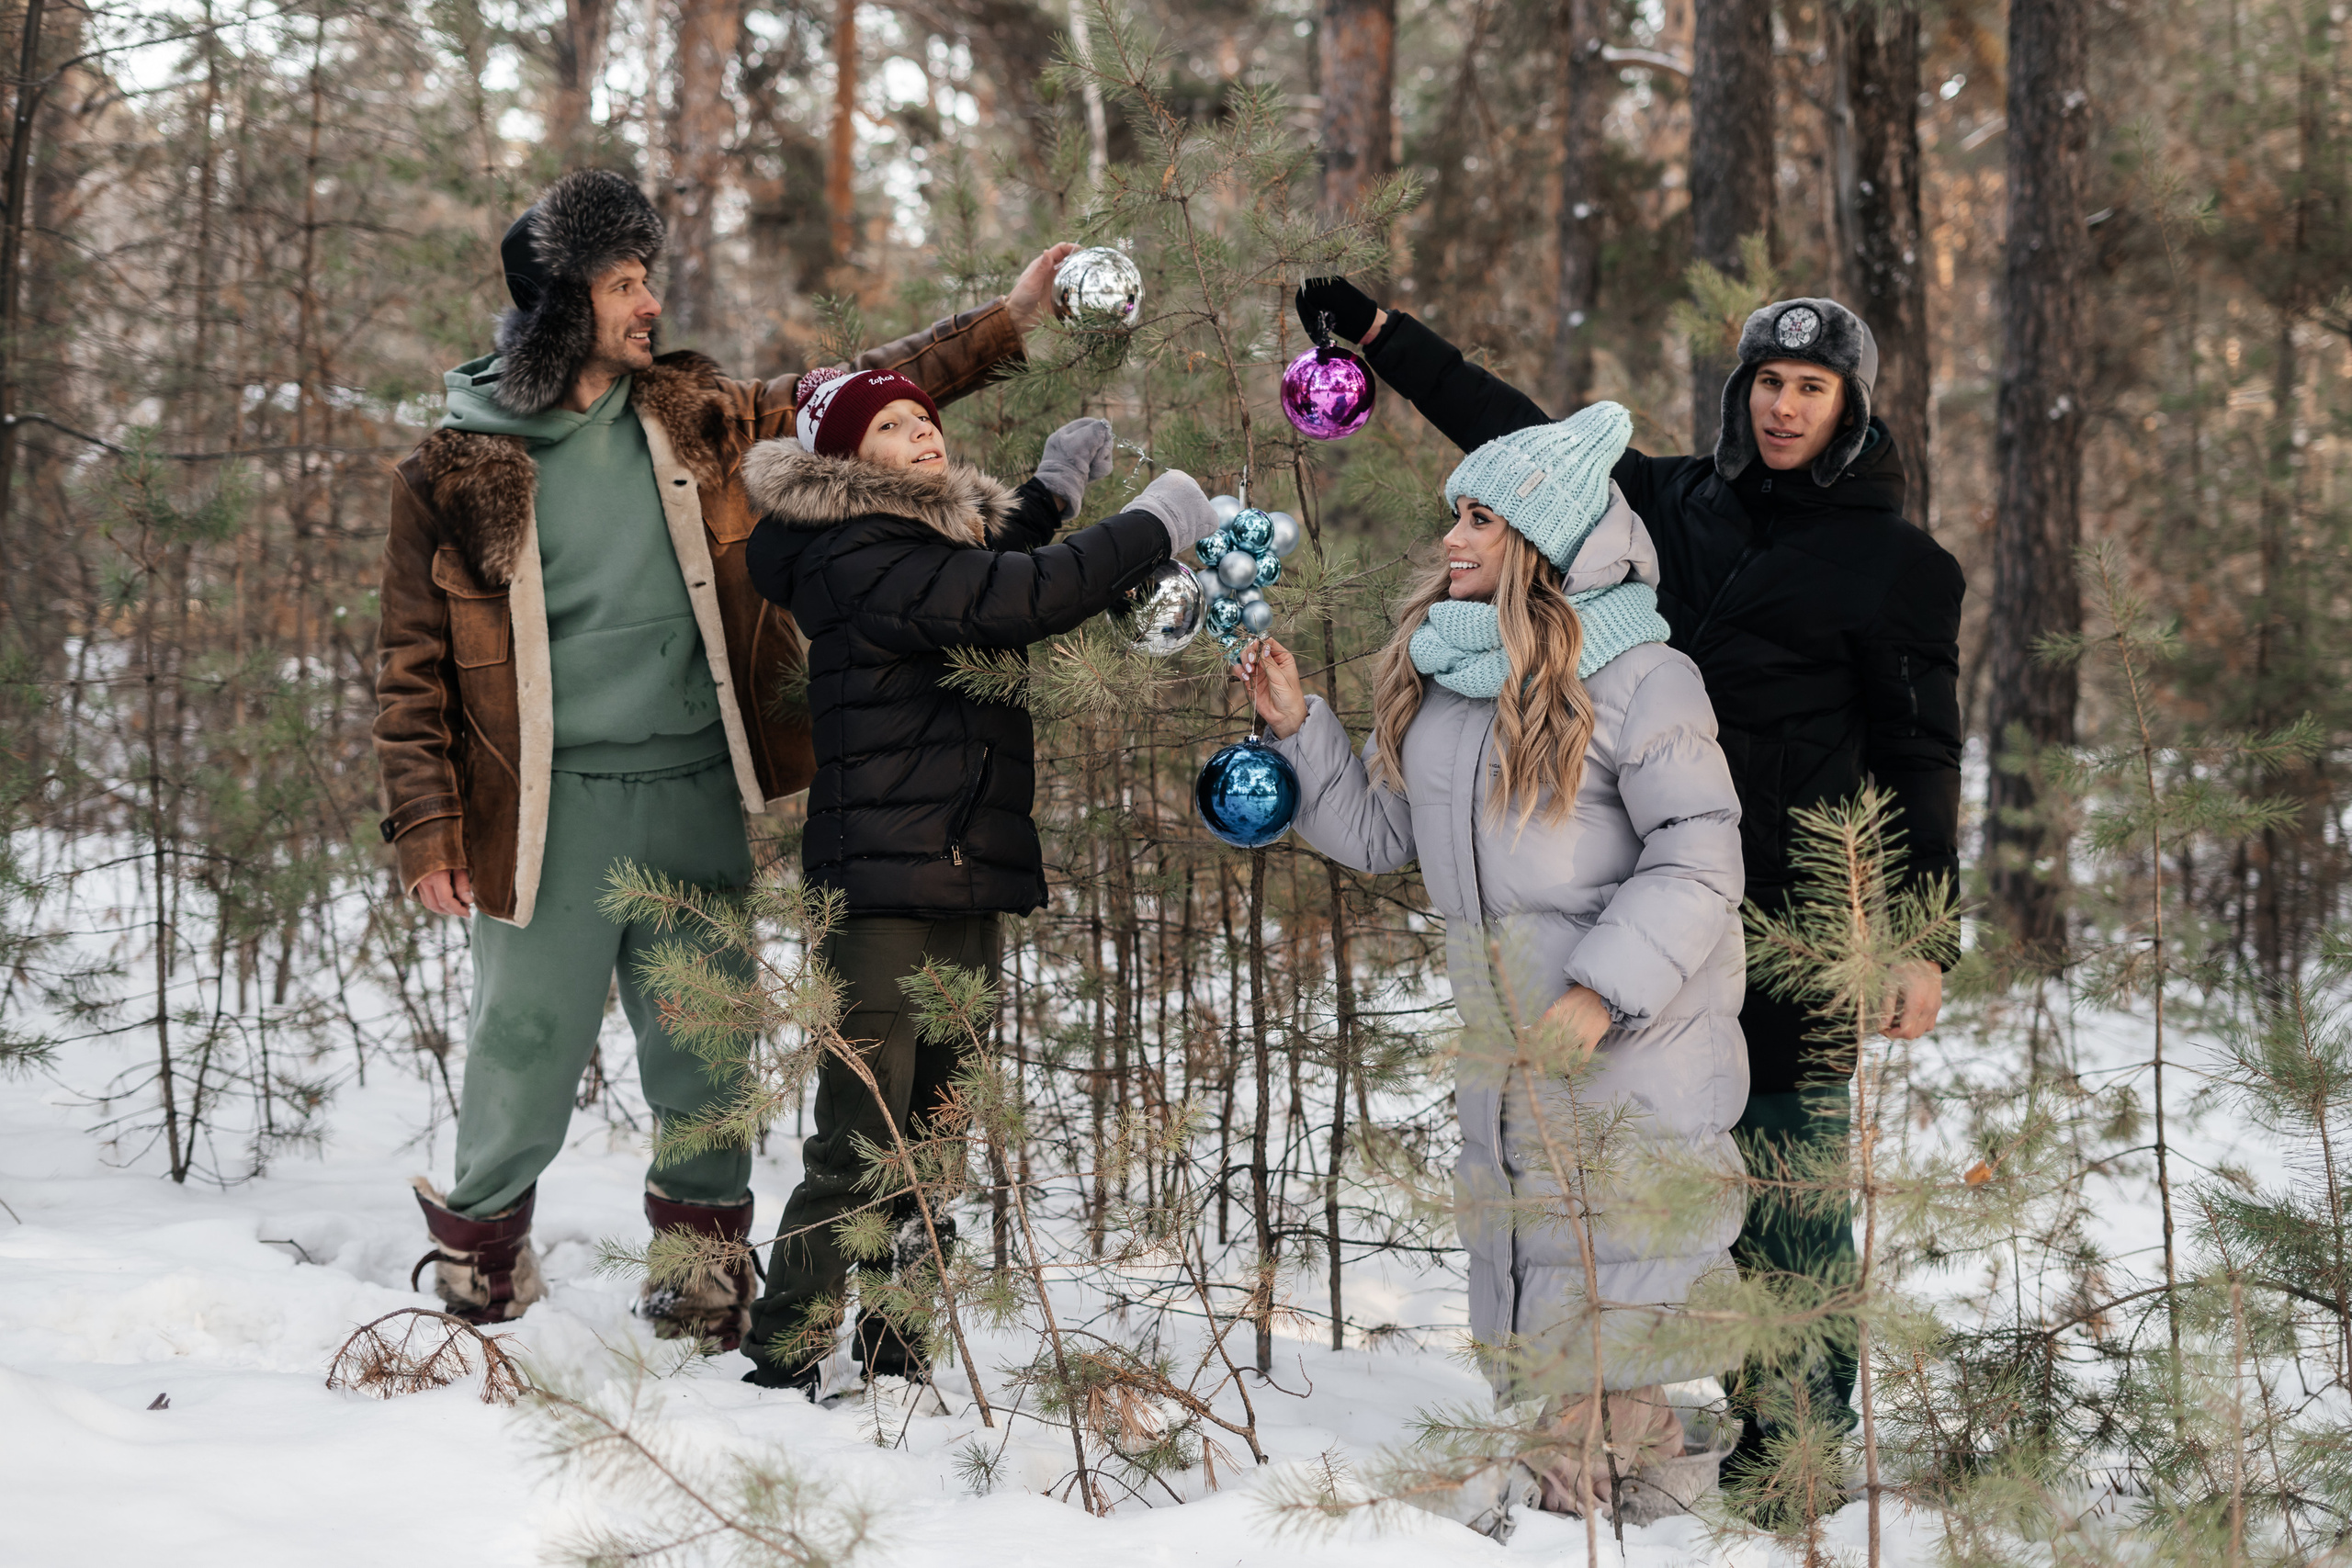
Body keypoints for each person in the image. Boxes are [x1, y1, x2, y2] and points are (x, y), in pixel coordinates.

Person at [374, 165, 1079, 1348]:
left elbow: (846, 396)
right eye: (623, 284)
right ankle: (480, 1265)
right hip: (543, 807)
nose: (650, 302)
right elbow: (410, 668)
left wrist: (1006, 322)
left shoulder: (691, 414)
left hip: (693, 786)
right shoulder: (451, 468)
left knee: (706, 1043)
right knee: (523, 1044)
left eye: (646, 278)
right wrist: (427, 829)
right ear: (559, 303)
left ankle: (700, 1279)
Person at [1291, 276, 1964, 1474]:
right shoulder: (1669, 500)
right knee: (1645, 1179)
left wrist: (1918, 934)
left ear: (1851, 406)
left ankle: (1795, 1445)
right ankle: (1633, 1415)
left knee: (1783, 1185)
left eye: (1812, 388)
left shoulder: (1898, 564)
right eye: (1768, 382)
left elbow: (1920, 755)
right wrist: (1385, 336)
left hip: (1795, 917)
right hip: (1626, 894)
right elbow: (1514, 437)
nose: (1784, 407)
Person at [1240, 400, 1747, 1516]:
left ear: (1542, 539)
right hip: (1515, 1038)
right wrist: (1297, 726)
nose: (1452, 538)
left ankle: (1589, 1510)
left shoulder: (1643, 676)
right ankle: (1632, 1509)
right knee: (1562, 1297)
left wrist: (1601, 992)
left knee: (1610, 1302)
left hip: (1634, 1040)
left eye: (1479, 519)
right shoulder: (1454, 679)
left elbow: (1701, 852)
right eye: (1454, 515)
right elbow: (1382, 833)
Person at [733, 367, 1223, 1394]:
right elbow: (1014, 597)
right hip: (883, 891)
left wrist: (1050, 494)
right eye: (892, 424)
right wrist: (1154, 523)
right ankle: (782, 1360)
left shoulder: (910, 547)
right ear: (845, 461)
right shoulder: (851, 553)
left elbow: (984, 565)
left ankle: (899, 1355)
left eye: (926, 418)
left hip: (959, 875)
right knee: (861, 1141)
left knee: (935, 1141)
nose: (923, 433)